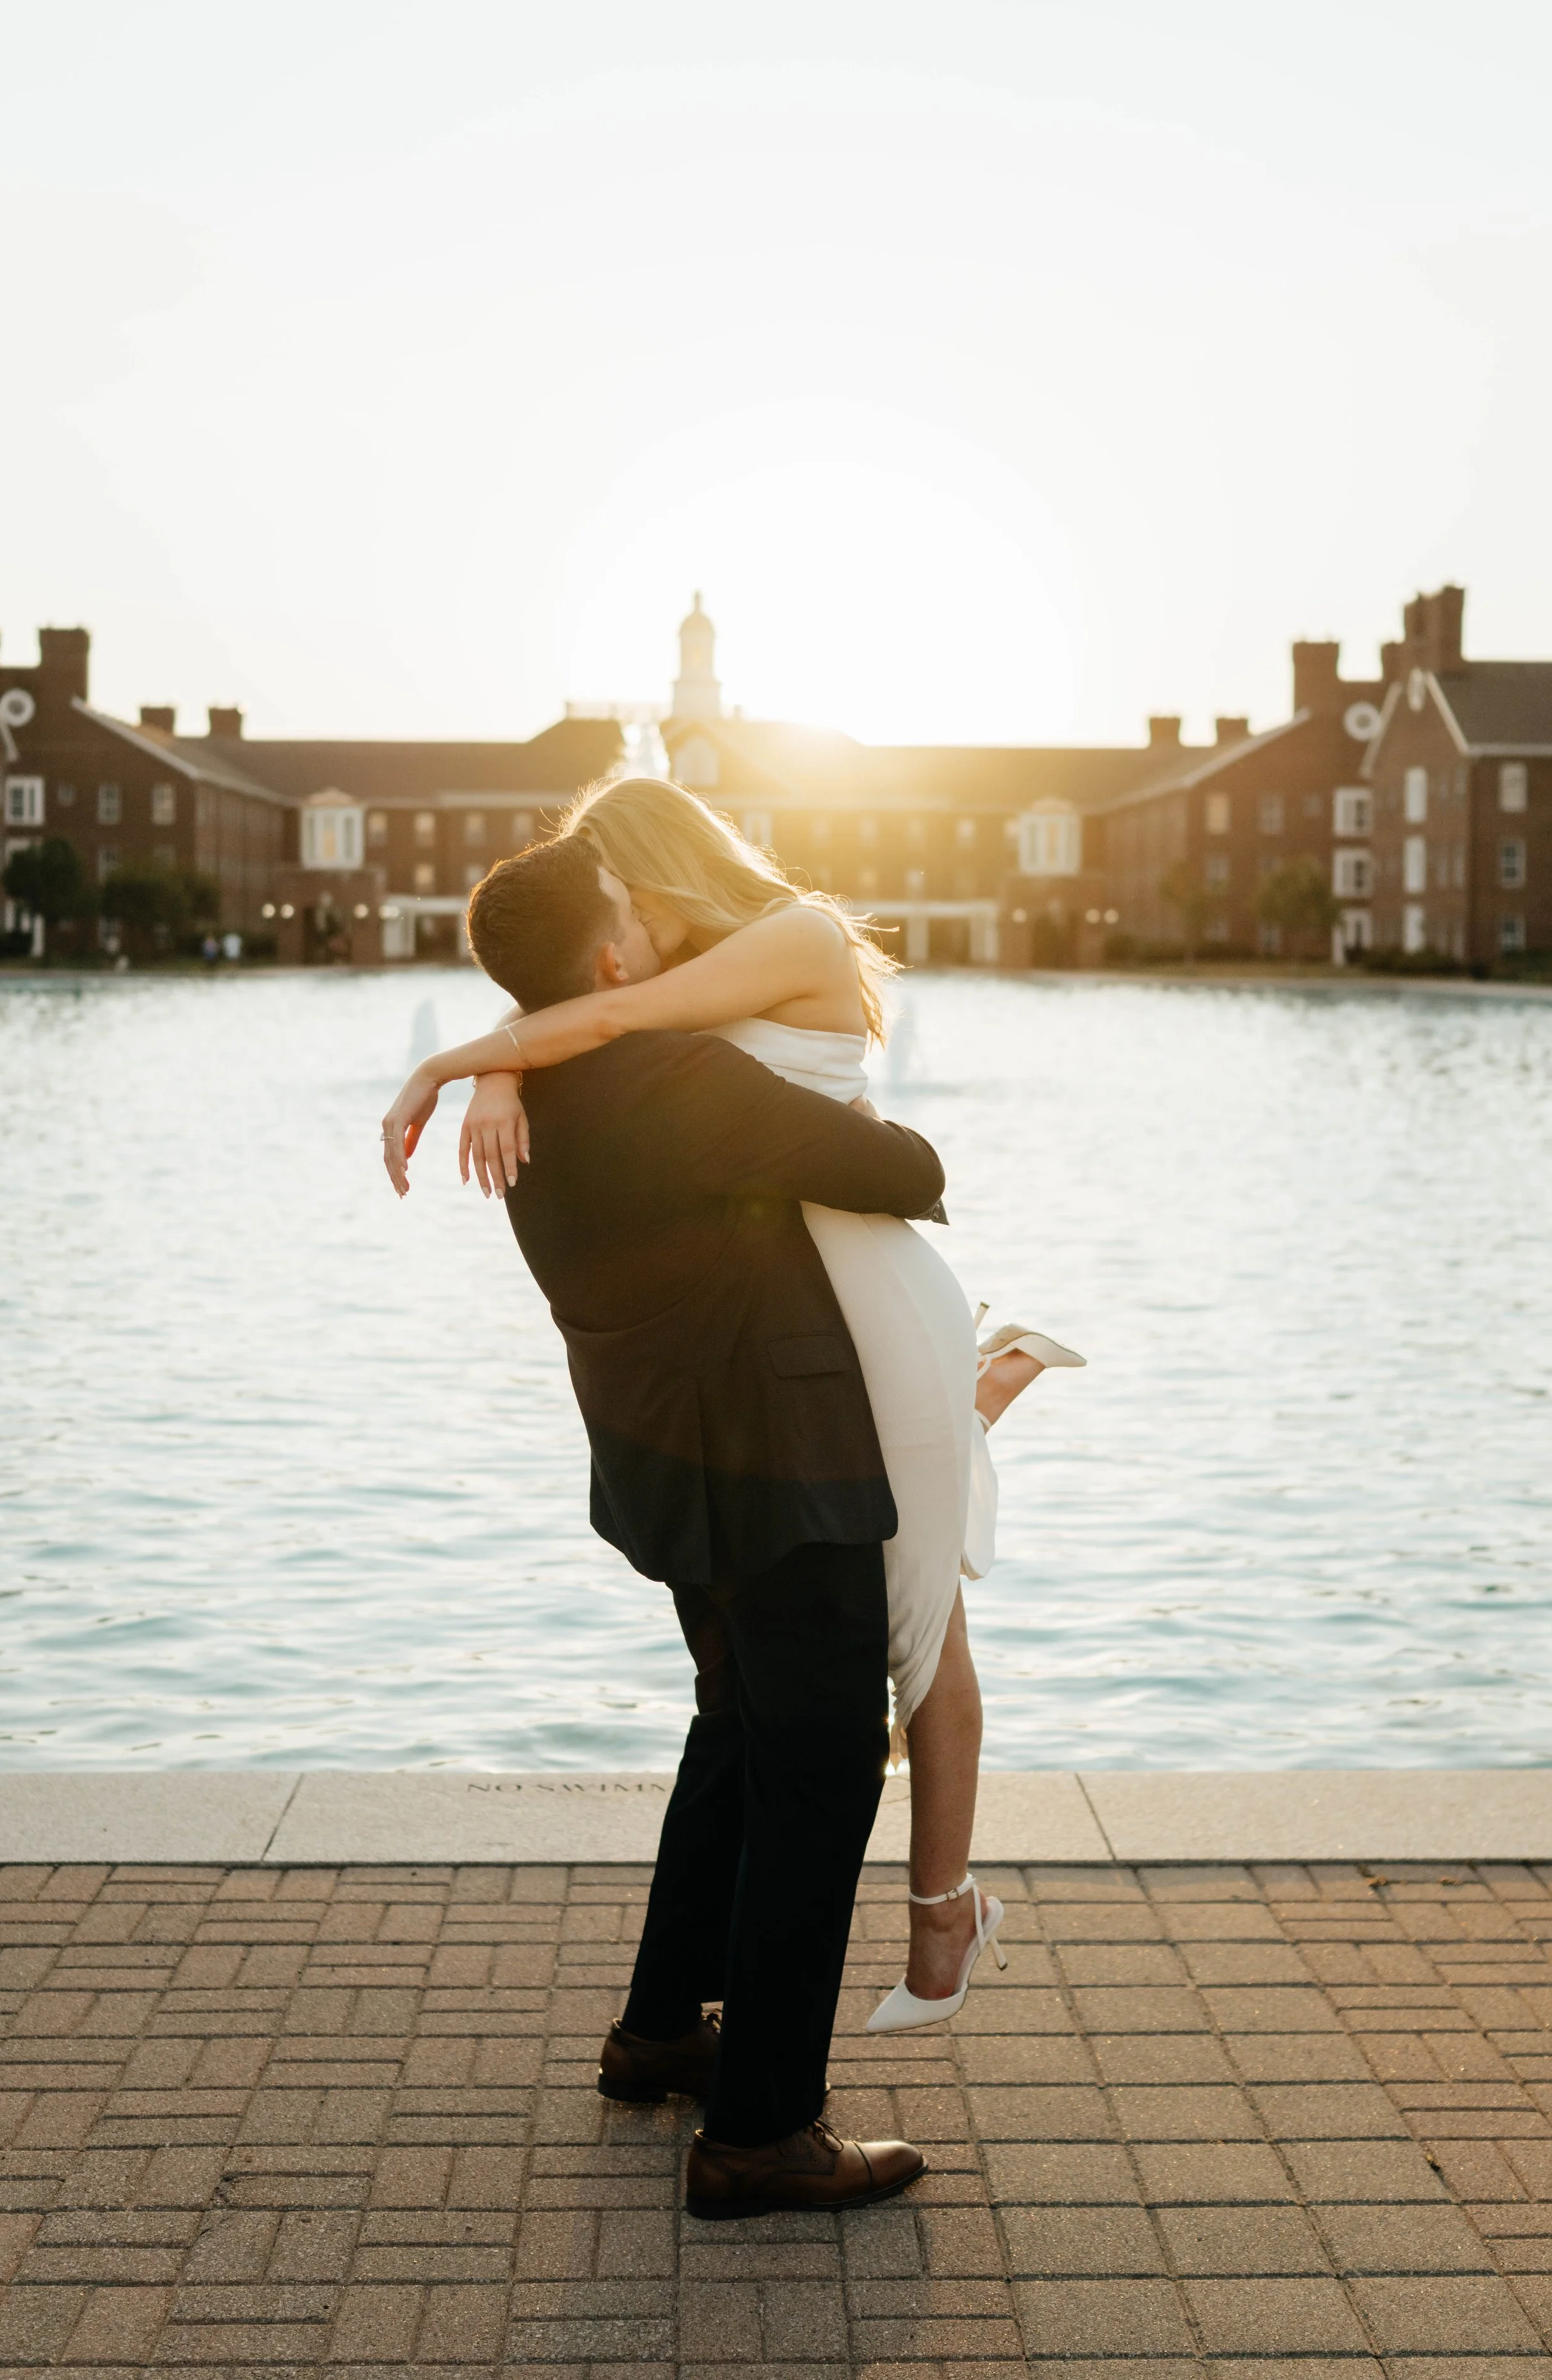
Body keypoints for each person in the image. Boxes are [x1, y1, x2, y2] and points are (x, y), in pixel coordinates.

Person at [380, 777, 1082, 2033]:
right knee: (841, 1694)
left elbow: (608, 1004)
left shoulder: (735, 979)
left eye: (612, 882)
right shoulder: (646, 1056)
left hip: (819, 1319)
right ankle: (814, 2054)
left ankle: (890, 1935)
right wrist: (495, 1058)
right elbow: (609, 1004)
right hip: (787, 1380)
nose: (627, 916)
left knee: (909, 1624)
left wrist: (472, 1057)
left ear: (651, 881)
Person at [386, 834, 933, 2214]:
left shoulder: (535, 1098)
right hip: (773, 1464)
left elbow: (565, 1026)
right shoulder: (683, 1081)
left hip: (662, 1471)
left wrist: (501, 1048)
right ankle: (760, 2130)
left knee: (736, 1728)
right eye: (637, 915)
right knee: (818, 1766)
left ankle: (656, 2034)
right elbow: (906, 1168)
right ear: (616, 957)